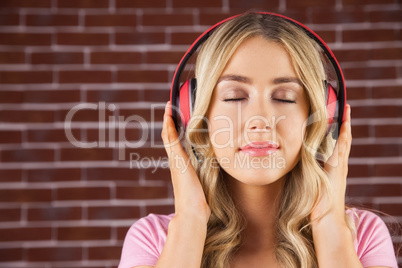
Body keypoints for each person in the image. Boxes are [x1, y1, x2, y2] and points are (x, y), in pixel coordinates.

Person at [118, 12, 398, 268]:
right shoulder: (152, 240)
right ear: (197, 114)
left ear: (320, 115)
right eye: (235, 97)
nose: (261, 120)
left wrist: (329, 223)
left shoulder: (362, 236)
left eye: (284, 97)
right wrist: (190, 220)